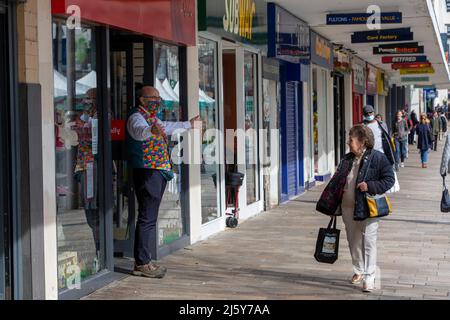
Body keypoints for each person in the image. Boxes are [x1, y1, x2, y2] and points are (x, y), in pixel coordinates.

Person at [126, 85, 200, 278]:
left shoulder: (151, 117)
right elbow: (139, 132)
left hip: (157, 171)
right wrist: (152, 130)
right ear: (142, 99)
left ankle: (144, 260)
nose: (158, 101)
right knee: (147, 217)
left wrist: (188, 124)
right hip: (148, 172)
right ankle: (142, 263)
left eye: (159, 98)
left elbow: (166, 126)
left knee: (149, 216)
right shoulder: (136, 117)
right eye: (153, 97)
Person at [319, 124, 395, 292]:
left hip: (368, 207)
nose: (348, 142)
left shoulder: (377, 158)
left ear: (363, 142)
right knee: (354, 242)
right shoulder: (347, 159)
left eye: (351, 139)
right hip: (347, 208)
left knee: (369, 241)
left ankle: (369, 277)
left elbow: (389, 179)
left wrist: (369, 186)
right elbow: (338, 180)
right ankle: (358, 269)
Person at [362, 106, 396, 170]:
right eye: (367, 113)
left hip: (381, 154)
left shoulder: (381, 124)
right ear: (364, 114)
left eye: (370, 112)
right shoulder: (362, 126)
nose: (369, 114)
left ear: (373, 112)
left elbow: (387, 139)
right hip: (369, 156)